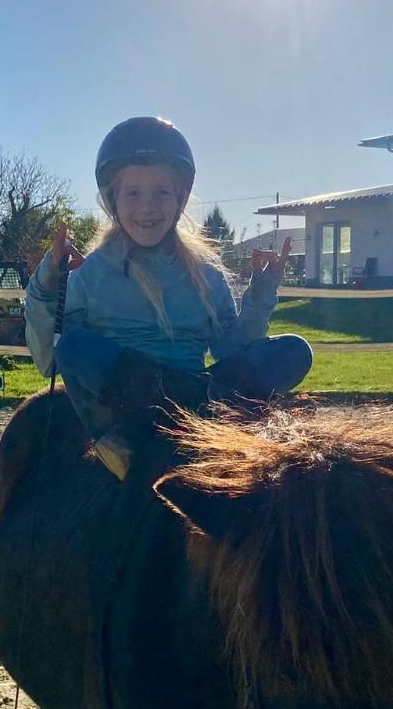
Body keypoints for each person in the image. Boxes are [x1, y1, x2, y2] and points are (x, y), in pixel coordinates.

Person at [25, 115, 312, 478]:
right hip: (129, 404)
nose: (147, 206)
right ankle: (122, 439)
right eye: (133, 193)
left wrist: (260, 295)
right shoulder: (92, 273)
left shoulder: (207, 274)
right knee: (73, 346)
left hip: (198, 392)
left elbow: (229, 350)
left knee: (295, 350)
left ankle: (199, 408)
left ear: (180, 199)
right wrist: (46, 285)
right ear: (113, 201)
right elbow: (50, 361)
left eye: (161, 192)